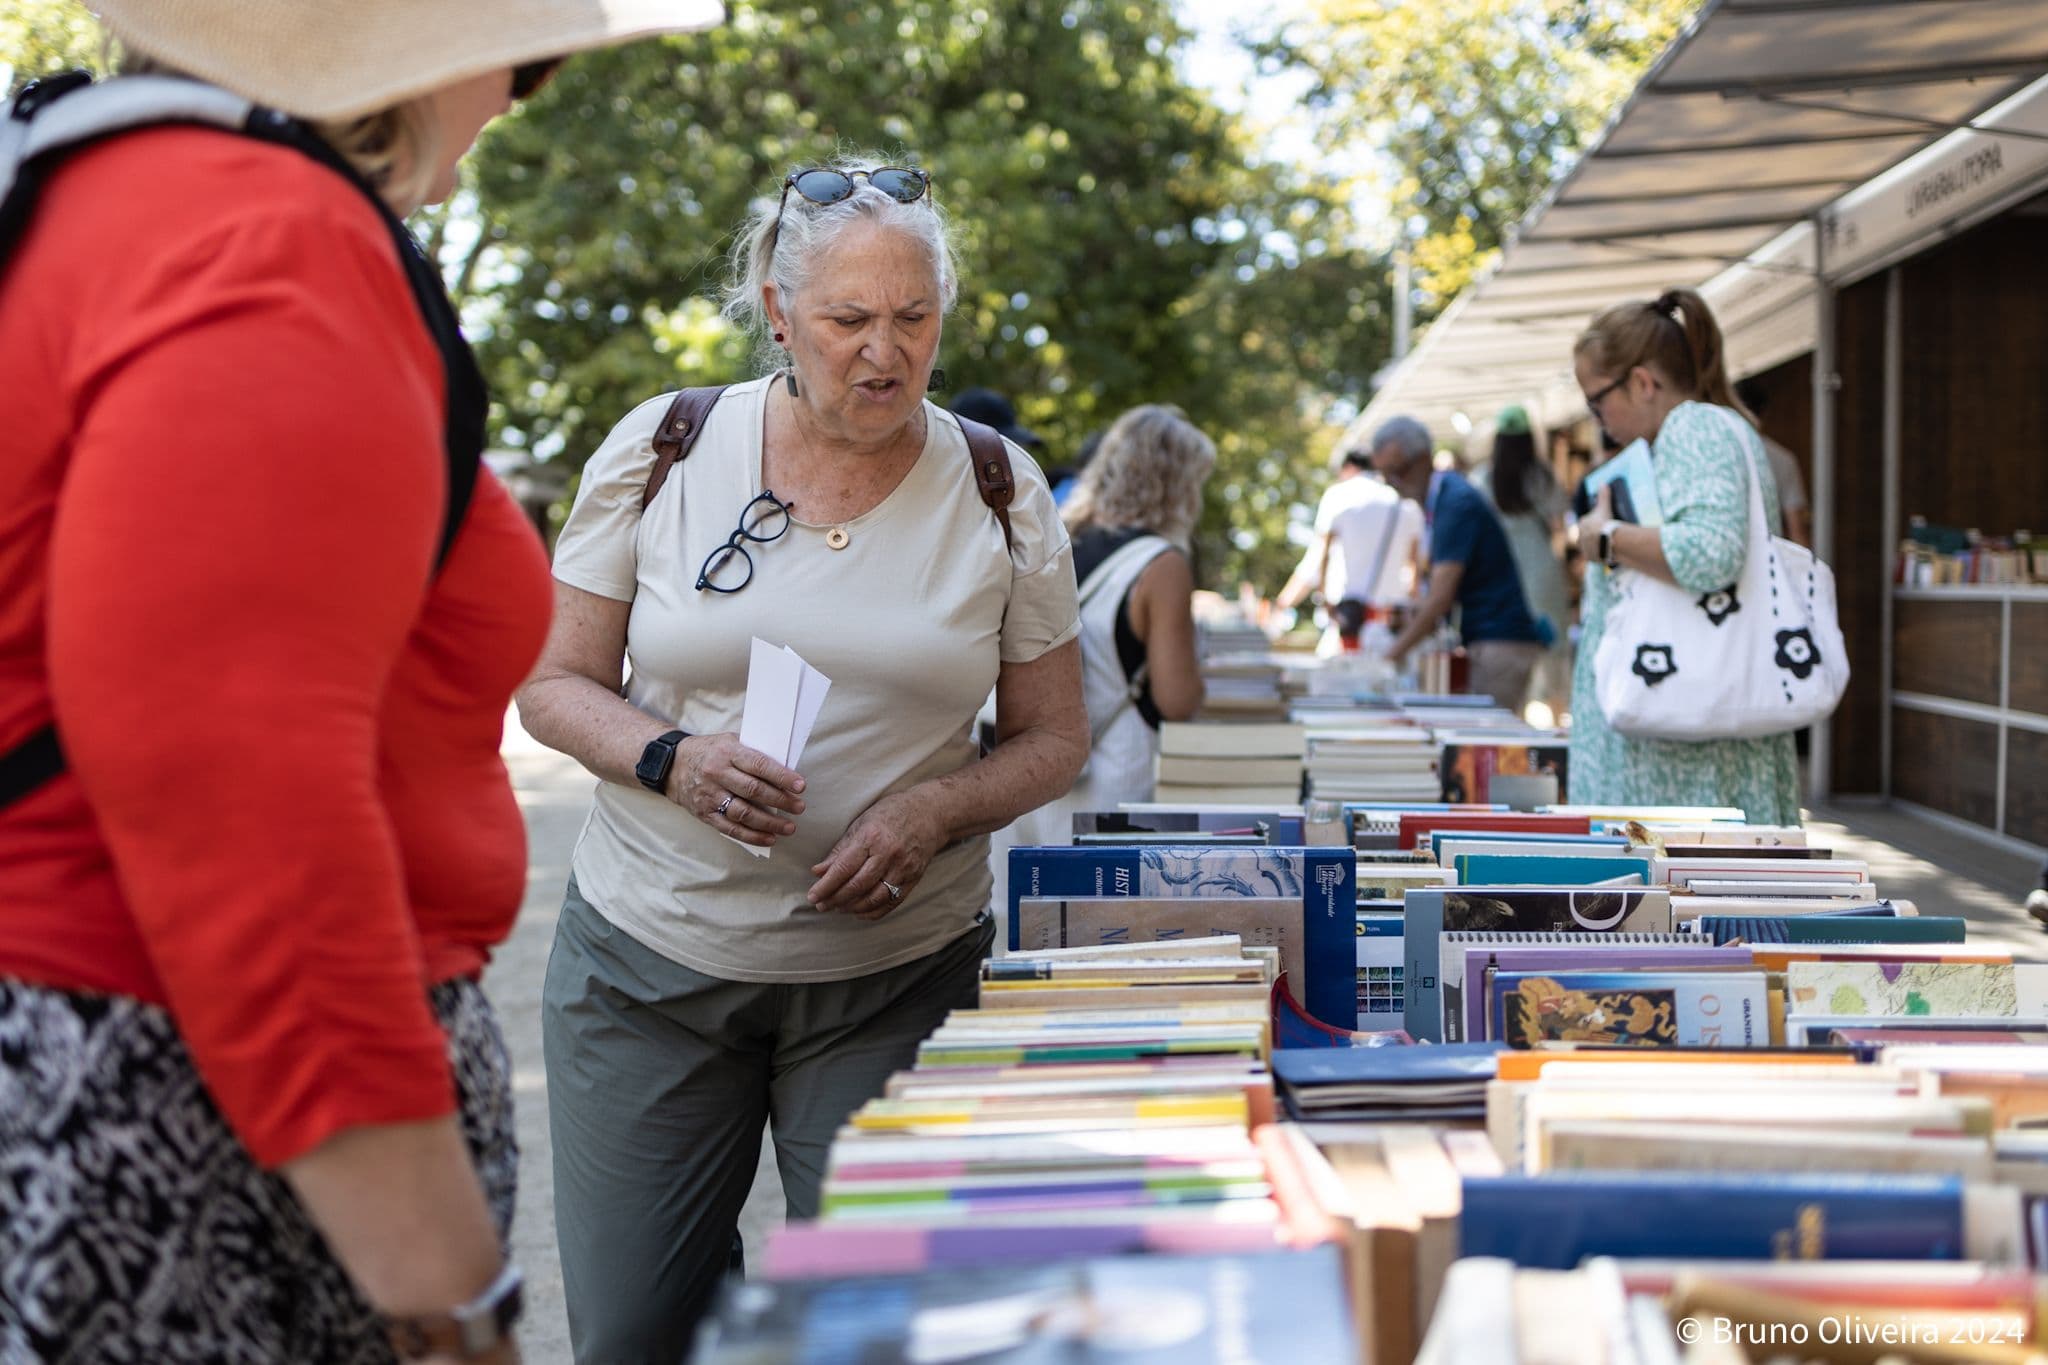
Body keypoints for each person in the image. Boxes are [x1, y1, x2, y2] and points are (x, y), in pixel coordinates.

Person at [0, 2, 725, 1360]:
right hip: (180, 1106)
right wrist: (448, 1299)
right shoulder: (270, 235)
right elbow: (238, 802)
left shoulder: (89, 192)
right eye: (530, 45)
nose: (526, 87)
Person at [516, 153, 1087, 1361]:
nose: (883, 351)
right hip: (648, 970)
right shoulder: (662, 445)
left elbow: (1052, 740)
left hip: (894, 976)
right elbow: (552, 686)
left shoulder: (998, 486)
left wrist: (936, 809)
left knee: (880, 1332)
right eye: (847, 320)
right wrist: (672, 756)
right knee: (634, 1332)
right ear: (779, 314)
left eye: (913, 319)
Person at [1570, 288, 1799, 825]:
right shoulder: (1698, 431)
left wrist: (1605, 538)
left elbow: (1708, 551)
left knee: (1685, 905)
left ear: (1642, 382)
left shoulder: (1695, 428)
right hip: (1686, 745)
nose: (1597, 418)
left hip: (1687, 764)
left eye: (1596, 399)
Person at [990, 403, 1214, 903]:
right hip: (1111, 782)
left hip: (1019, 773)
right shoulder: (1161, 565)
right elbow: (1177, 700)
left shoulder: (1052, 539)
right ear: (1178, 484)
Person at [1371, 417, 1549, 711]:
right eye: (1386, 476)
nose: (1395, 485)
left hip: (1499, 642)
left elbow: (1441, 598)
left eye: (1399, 472)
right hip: (1490, 638)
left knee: (1487, 747)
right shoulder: (1443, 499)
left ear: (1424, 459)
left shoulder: (1455, 502)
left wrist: (1388, 658)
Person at [1276, 442, 1425, 655]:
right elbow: (1414, 571)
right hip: (1392, 634)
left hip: (1347, 631)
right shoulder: (1405, 505)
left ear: (1348, 468)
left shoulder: (1338, 496)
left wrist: (1284, 604)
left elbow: (1317, 560)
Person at [1473, 404, 1573, 714]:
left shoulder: (1482, 479)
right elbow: (1559, 524)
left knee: (1510, 658)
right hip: (1542, 569)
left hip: (1501, 574)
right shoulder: (1542, 477)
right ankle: (1558, 726)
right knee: (1553, 657)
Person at [1735, 377, 1812, 548]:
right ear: (1765, 411)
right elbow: (1797, 530)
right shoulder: (1783, 459)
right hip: (1767, 560)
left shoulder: (1716, 453)